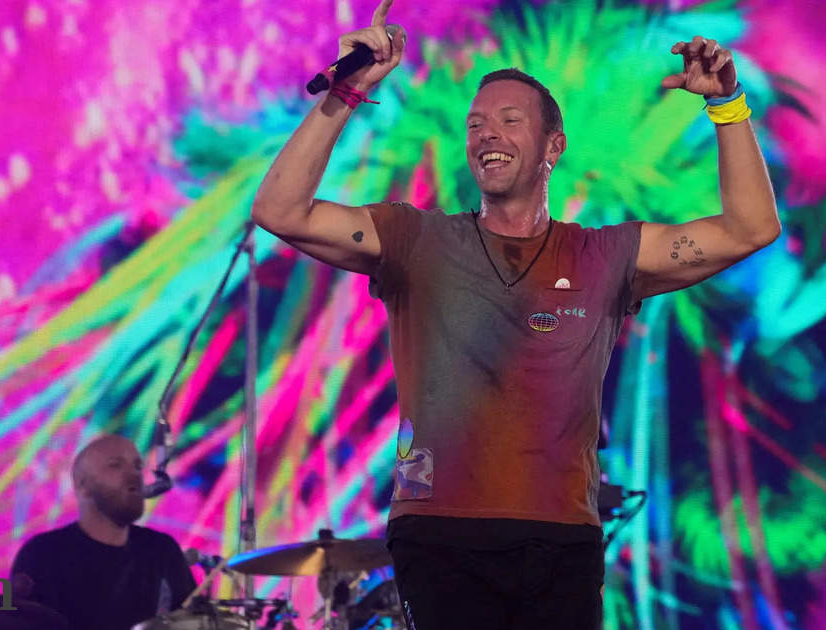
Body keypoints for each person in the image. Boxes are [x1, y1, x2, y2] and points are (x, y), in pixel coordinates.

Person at [250, 1, 779, 628]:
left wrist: (728, 105)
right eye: (476, 124)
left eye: (509, 120)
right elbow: (281, 211)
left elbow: (751, 228)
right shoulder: (416, 239)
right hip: (440, 533)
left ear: (554, 147)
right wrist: (346, 90)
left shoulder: (605, 254)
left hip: (560, 537)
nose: (487, 135)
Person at [10, 434, 196, 630]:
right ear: (82, 485)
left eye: (138, 466)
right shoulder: (41, 553)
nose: (135, 475)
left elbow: (195, 619)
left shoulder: (161, 549)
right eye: (115, 465)